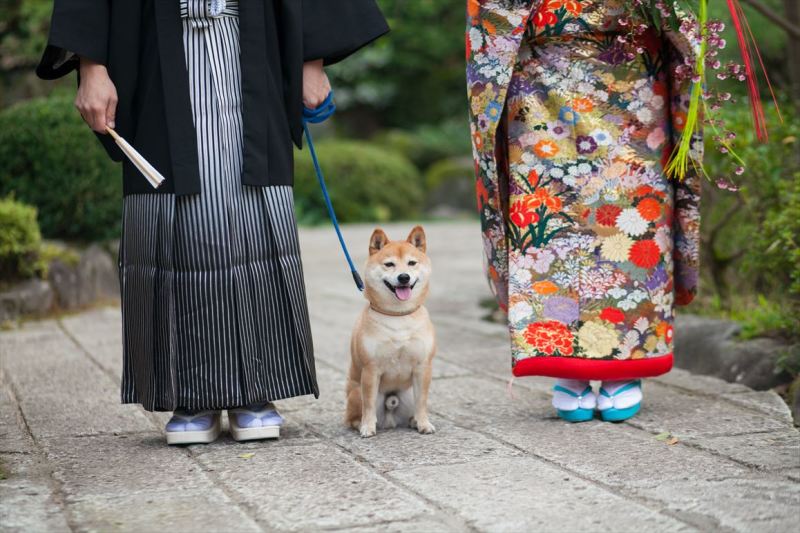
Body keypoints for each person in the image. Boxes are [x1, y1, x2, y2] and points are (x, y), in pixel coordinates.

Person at [36, 0, 389, 444]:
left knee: (252, 214)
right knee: (176, 218)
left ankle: (257, 390)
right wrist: (92, 64)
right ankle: (190, 396)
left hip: (251, 39)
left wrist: (310, 58)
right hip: (154, 47)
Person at [467, 0, 701, 422]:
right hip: (539, 70)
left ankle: (626, 359)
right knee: (548, 210)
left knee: (630, 205)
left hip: (629, 68)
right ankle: (563, 359)